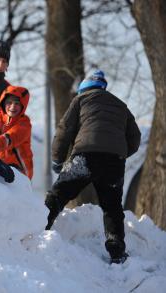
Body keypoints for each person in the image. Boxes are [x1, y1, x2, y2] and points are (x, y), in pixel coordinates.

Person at [44, 70, 141, 264]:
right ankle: (116, 251)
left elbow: (64, 130)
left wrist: (57, 159)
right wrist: (118, 153)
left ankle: (38, 227)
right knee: (112, 206)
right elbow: (135, 139)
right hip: (114, 160)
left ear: (83, 89)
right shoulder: (121, 105)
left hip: (85, 155)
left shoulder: (81, 100)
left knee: (59, 193)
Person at [0, 85, 33, 179]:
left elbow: (11, 137)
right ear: (3, 103)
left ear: (23, 105)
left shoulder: (24, 123)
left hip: (20, 170)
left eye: (17, 103)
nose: (13, 106)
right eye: (9, 103)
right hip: (0, 166)